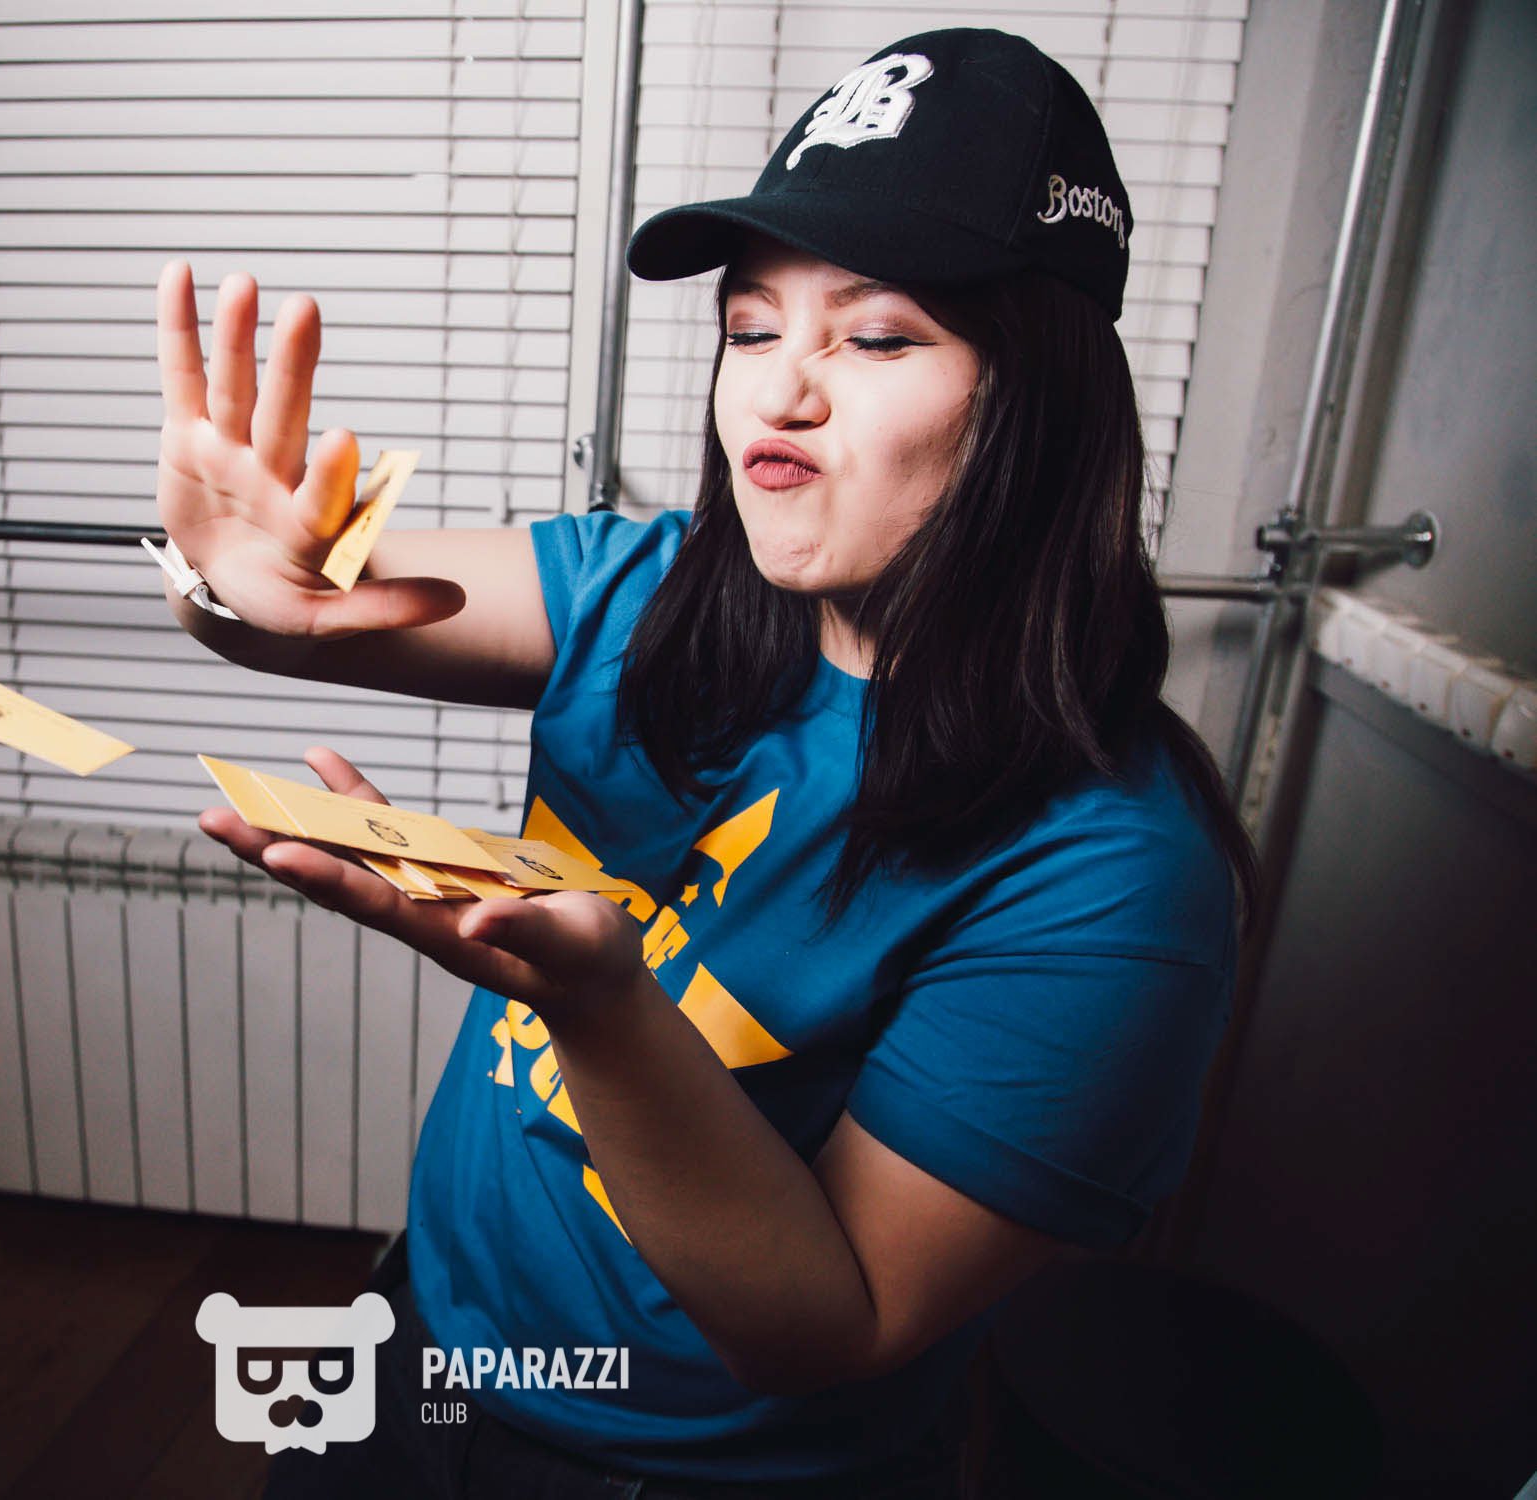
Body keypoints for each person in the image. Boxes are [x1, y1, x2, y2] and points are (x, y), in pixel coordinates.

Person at [151, 27, 1258, 1499]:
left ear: (1036, 404)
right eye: (748, 327)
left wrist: (597, 1008)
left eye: (875, 339)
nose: (778, 395)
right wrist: (222, 582)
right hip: (424, 1343)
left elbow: (826, 1326)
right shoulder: (647, 588)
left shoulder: (1113, 875)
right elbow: (299, 614)